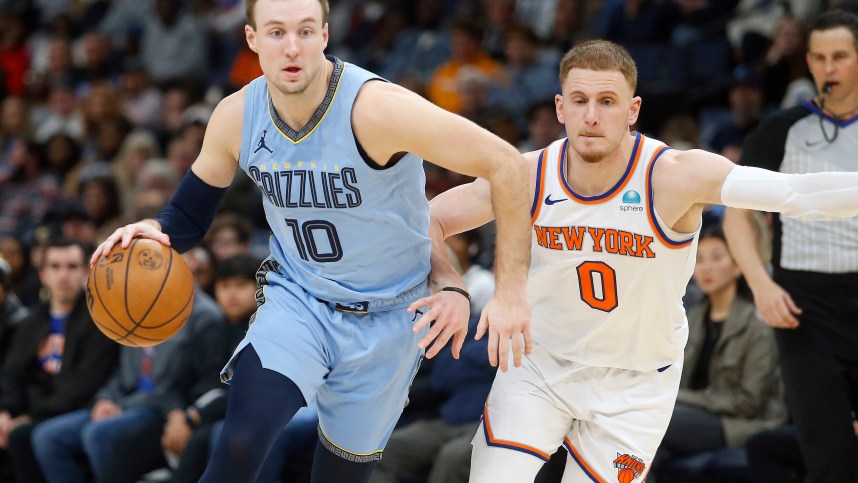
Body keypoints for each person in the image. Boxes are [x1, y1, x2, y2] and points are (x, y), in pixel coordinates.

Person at [89, 0, 531, 482]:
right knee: (237, 442)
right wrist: (155, 230)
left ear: (324, 34)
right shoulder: (237, 115)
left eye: (304, 31)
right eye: (276, 33)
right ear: (252, 39)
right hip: (299, 299)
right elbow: (190, 213)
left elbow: (506, 164)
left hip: (389, 316)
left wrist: (509, 293)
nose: (292, 47)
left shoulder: (377, 109)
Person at [427, 38, 858, 483]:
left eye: (607, 101)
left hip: (635, 383)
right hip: (541, 366)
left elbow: (796, 193)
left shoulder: (674, 175)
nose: (591, 116)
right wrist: (451, 286)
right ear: (560, 107)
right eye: (579, 101)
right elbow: (427, 222)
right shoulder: (527, 173)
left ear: (632, 110)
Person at [723, 10, 858, 482]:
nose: (829, 68)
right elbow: (736, 211)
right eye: (819, 58)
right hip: (805, 306)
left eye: (840, 56)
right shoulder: (782, 129)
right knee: (828, 453)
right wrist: (760, 285)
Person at [652, 225, 786, 475]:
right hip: (696, 413)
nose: (706, 268)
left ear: (737, 266)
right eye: (699, 259)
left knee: (656, 419)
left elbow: (747, 403)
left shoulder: (756, 325)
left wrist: (679, 397)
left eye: (716, 257)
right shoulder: (691, 316)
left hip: (741, 423)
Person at [0, 238, 118, 483]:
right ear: (43, 274)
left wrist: (30, 416)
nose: (63, 275)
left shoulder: (100, 320)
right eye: (55, 266)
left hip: (78, 409)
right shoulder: (30, 322)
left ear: (87, 272)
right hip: (36, 410)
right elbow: (12, 373)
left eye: (72, 266)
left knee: (22, 436)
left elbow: (85, 384)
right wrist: (5, 411)